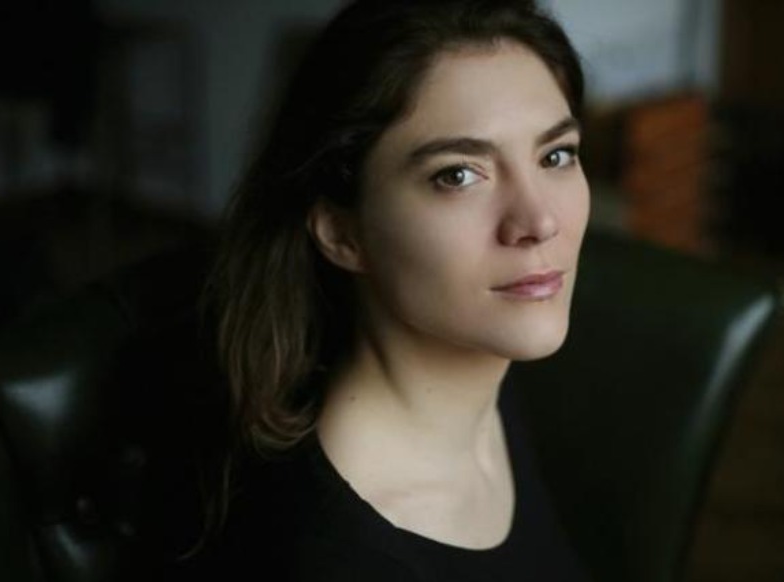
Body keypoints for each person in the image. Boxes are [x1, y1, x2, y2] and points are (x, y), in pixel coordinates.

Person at [200, 0, 591, 579]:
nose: (539, 221)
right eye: (458, 174)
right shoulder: (338, 556)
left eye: (555, 155)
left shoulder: (485, 367)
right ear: (342, 232)